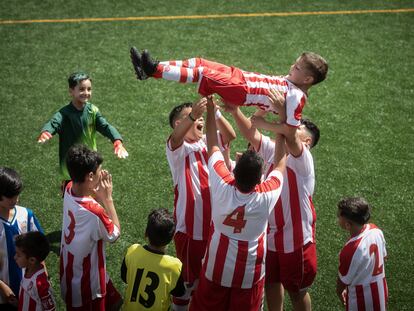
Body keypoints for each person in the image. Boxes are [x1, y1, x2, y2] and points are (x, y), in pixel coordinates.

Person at [222, 89, 320, 311]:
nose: (287, 130)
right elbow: (251, 134)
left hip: (296, 242)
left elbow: (289, 134)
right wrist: (236, 111)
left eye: (296, 129)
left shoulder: (303, 158)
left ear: (306, 141)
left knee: (297, 291)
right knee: (271, 282)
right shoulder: (275, 148)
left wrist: (284, 113)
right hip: (270, 236)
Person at [189, 96, 286, 311]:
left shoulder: (222, 182)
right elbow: (280, 163)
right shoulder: (266, 194)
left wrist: (212, 110)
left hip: (216, 265)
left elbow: (213, 144)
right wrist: (282, 124)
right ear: (260, 177)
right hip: (249, 273)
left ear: (235, 169)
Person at [130, 47, 327, 151]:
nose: (292, 67)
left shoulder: (298, 97)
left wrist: (263, 124)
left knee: (203, 74)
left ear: (308, 79)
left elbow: (290, 130)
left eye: (298, 68)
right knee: (200, 62)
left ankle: (154, 69)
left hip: (242, 90)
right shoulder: (292, 82)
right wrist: (262, 114)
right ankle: (150, 69)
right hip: (242, 77)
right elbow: (271, 103)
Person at [165, 97, 236, 308]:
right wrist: (194, 115)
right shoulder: (178, 150)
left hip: (215, 228)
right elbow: (175, 138)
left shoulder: (207, 141)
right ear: (180, 123)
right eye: (193, 115)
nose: (200, 118)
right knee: (187, 284)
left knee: (209, 282)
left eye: (200, 116)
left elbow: (230, 135)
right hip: (190, 231)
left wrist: (215, 112)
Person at [37, 71, 128, 189]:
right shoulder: (64, 113)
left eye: (89, 89)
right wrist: (47, 131)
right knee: (73, 197)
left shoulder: (93, 111)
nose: (86, 93)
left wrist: (117, 141)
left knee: (93, 197)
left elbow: (105, 126)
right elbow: (54, 123)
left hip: (91, 162)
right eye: (81, 89)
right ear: (71, 91)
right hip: (71, 168)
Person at [59, 144, 122, 310]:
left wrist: (95, 192)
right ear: (90, 176)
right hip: (87, 284)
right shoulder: (94, 211)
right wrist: (107, 198)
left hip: (70, 272)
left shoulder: (67, 187)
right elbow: (114, 234)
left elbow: (84, 195)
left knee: (116, 302)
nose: (101, 174)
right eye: (99, 171)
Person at [121, 208, 185, 311]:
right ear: (171, 238)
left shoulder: (133, 251)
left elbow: (124, 277)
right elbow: (179, 292)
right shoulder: (174, 265)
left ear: (146, 233)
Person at [0, 167, 44, 311]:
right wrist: (3, 288)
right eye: (10, 196)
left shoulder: (26, 215)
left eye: (17, 195)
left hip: (27, 289)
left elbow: (39, 251)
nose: (15, 199)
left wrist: (43, 278)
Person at [336, 197, 388, 311]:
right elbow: (384, 258)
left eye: (339, 216)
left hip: (360, 301)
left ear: (348, 225)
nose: (337, 218)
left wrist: (339, 293)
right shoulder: (376, 231)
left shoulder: (350, 249)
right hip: (381, 293)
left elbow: (342, 281)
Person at [14, 231, 56, 311]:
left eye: (18, 255)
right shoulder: (28, 270)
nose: (15, 257)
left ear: (32, 260)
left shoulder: (40, 283)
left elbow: (50, 309)